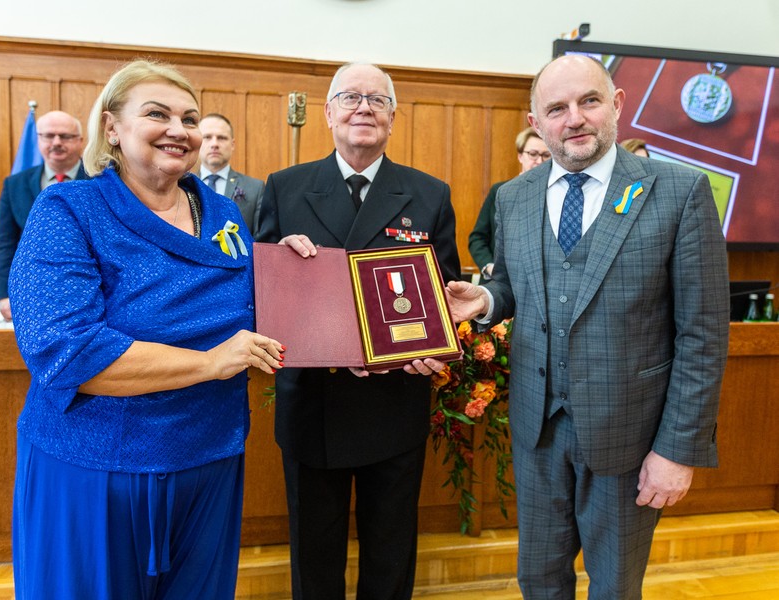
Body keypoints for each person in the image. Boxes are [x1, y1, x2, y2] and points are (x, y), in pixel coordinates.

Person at [437, 54, 730, 599]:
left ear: (616, 105)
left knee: (615, 586)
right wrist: (485, 299)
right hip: (536, 429)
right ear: (536, 121)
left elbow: (704, 336)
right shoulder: (513, 197)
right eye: (556, 108)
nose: (573, 118)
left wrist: (677, 451)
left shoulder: (679, 192)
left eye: (588, 101)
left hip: (632, 437)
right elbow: (517, 288)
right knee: (539, 579)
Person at [8, 59, 288, 600]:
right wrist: (211, 362)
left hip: (210, 456)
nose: (179, 130)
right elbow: (65, 352)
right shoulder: (68, 210)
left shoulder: (225, 214)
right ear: (111, 128)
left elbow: (259, 313)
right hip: (97, 466)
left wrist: (301, 276)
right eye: (157, 114)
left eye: (190, 117)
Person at [256, 62, 460, 600]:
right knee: (314, 555)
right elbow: (258, 295)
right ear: (327, 113)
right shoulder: (285, 188)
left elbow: (446, 292)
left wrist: (431, 348)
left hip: (394, 400)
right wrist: (283, 270)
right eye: (349, 97)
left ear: (394, 117)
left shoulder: (429, 194)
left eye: (377, 99)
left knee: (390, 552)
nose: (363, 107)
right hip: (312, 405)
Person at [0, 110, 88, 320]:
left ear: (80, 141)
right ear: (38, 140)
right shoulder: (14, 184)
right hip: (33, 293)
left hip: (91, 290)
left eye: (65, 136)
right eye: (48, 136)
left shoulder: (100, 180)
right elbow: (5, 243)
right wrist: (3, 295)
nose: (56, 142)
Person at [468, 126, 549, 279]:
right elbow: (477, 238)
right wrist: (490, 267)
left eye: (546, 155)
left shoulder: (557, 194)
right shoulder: (501, 191)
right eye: (533, 154)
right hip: (499, 284)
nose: (539, 161)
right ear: (520, 156)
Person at [197, 113, 265, 236]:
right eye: (207, 137)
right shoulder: (181, 184)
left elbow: (260, 239)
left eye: (222, 138)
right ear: (197, 141)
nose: (214, 144)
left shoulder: (255, 188)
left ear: (232, 144)